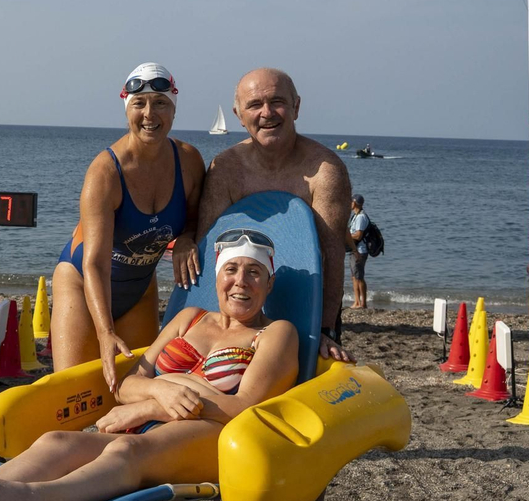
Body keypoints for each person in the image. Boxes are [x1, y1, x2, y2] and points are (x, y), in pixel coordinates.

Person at [0, 229, 297, 501]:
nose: (241, 281)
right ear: (218, 277)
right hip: (151, 426)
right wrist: (159, 392)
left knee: (125, 450)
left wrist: (154, 404)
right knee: (58, 440)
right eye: (232, 270)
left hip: (214, 441)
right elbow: (129, 385)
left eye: (254, 272)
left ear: (269, 283)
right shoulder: (190, 319)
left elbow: (242, 406)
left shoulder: (275, 333)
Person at [52, 62, 204, 391]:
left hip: (138, 291)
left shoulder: (189, 161)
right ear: (126, 109)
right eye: (139, 103)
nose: (150, 114)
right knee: (73, 394)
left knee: (137, 391)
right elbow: (95, 262)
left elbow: (194, 216)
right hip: (83, 285)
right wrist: (104, 333)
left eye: (161, 103)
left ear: (174, 110)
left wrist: (188, 239)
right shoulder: (105, 173)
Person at [197, 68, 354, 363]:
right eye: (254, 105)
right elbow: (209, 253)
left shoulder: (325, 170)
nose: (267, 113)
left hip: (307, 303)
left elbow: (333, 257)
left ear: (296, 107)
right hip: (238, 305)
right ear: (239, 114)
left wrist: (324, 329)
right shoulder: (226, 169)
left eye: (277, 102)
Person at [346, 193, 370, 309]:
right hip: (353, 249)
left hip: (360, 250)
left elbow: (359, 235)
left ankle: (363, 303)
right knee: (354, 277)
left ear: (354, 203)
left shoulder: (361, 217)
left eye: (351, 202)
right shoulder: (355, 216)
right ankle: (356, 301)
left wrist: (347, 237)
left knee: (359, 277)